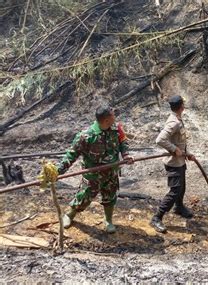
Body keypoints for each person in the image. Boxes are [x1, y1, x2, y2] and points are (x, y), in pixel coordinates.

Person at [57, 104, 134, 233]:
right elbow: (71, 155)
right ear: (106, 120)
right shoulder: (86, 136)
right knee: (84, 197)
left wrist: (125, 155)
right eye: (113, 115)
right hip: (93, 176)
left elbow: (123, 142)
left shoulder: (116, 128)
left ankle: (108, 220)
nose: (115, 117)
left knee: (110, 197)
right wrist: (58, 171)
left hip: (111, 172)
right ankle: (69, 215)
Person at [150, 95, 195, 233]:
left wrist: (188, 153)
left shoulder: (178, 119)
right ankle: (156, 218)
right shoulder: (174, 122)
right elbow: (160, 139)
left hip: (180, 161)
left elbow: (180, 140)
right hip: (173, 163)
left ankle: (179, 207)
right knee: (175, 191)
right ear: (182, 106)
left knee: (182, 187)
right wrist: (174, 150)